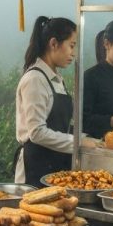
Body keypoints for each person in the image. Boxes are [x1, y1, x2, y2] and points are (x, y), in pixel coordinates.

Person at [14, 16, 77, 186]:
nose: (73, 53)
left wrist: (86, 139)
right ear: (54, 43)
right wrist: (77, 142)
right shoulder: (35, 79)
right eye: (71, 45)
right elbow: (37, 132)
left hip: (56, 163)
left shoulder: (56, 79)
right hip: (36, 164)